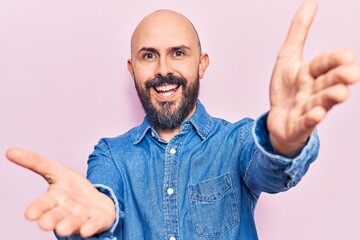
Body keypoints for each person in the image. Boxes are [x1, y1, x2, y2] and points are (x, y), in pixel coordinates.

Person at [6, 1, 359, 239]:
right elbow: (100, 198)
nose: (163, 70)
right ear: (132, 69)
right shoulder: (110, 155)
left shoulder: (235, 142)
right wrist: (102, 219)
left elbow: (269, 171)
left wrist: (283, 142)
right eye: (148, 56)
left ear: (201, 64)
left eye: (178, 53)